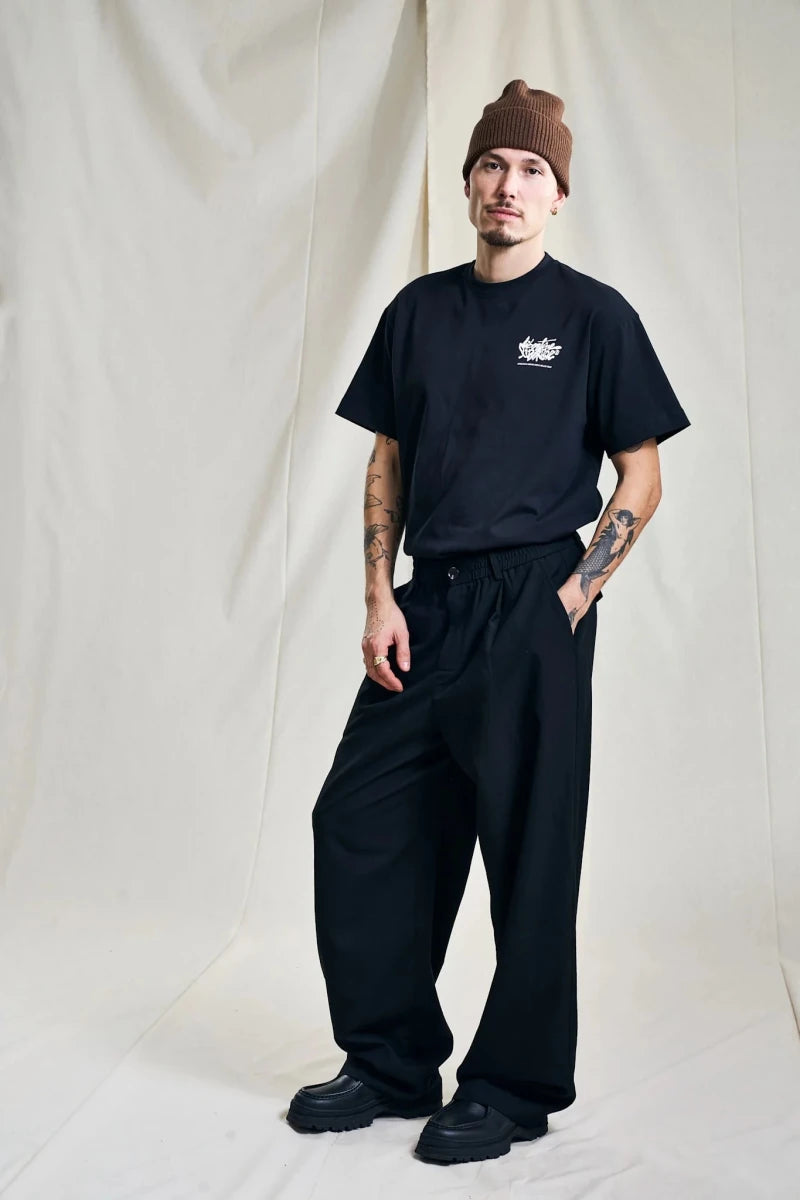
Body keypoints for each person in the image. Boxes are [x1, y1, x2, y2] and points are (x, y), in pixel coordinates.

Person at [286, 79, 691, 1165]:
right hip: (428, 602)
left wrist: (573, 595)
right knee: (358, 821)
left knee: (529, 847)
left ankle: (512, 1086)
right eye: (492, 165)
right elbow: (388, 457)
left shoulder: (594, 317)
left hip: (534, 600)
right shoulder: (417, 312)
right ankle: (389, 1061)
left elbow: (641, 473)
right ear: (467, 183)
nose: (507, 185)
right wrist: (378, 596)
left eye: (530, 170)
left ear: (557, 195)